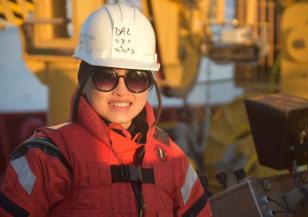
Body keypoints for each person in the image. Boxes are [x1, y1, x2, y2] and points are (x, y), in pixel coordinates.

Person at [0, 3, 212, 217]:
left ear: (149, 83)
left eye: (136, 79)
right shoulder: (44, 158)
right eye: (106, 77)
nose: (122, 90)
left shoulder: (172, 160)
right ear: (84, 80)